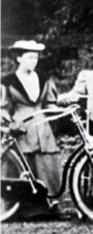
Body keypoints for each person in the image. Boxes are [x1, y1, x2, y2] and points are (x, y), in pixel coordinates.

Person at [1, 40, 66, 219]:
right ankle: (21, 208)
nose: (33, 61)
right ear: (19, 58)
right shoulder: (7, 81)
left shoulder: (44, 79)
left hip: (42, 126)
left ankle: (50, 206)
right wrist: (8, 121)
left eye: (36, 58)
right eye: (29, 57)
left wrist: (62, 110)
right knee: (23, 163)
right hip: (21, 126)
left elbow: (50, 103)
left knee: (47, 163)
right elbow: (3, 107)